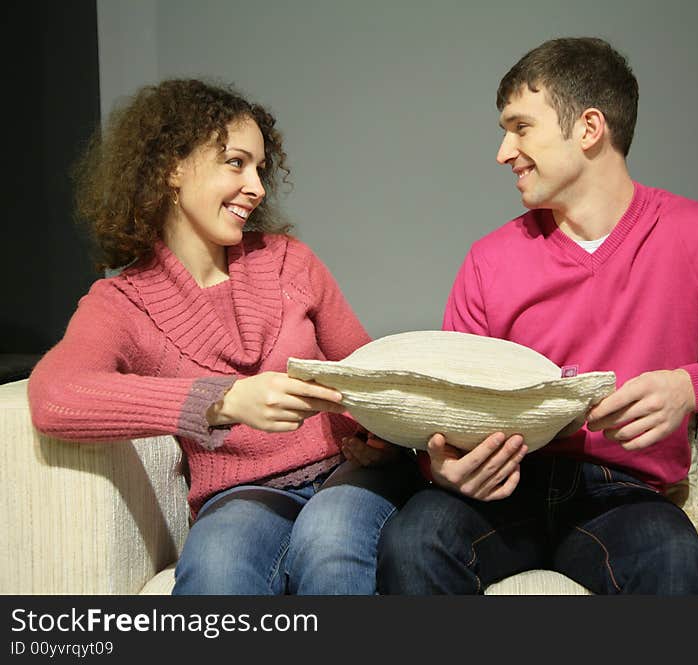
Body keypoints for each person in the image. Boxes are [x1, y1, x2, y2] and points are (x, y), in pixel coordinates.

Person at [376, 37, 698, 594]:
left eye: (520, 128)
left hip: (623, 493)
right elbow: (449, 403)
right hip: (503, 487)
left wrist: (691, 386)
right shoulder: (489, 258)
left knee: (677, 566)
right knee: (411, 543)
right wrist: (439, 465)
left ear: (589, 129)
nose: (503, 152)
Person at [27, 78, 423, 595]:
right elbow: (57, 395)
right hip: (239, 495)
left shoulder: (289, 262)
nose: (257, 187)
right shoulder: (122, 303)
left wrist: (377, 436)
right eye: (236, 163)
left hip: (344, 474)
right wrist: (223, 401)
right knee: (215, 575)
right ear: (172, 167)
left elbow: (364, 373)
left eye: (260, 168)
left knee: (329, 543)